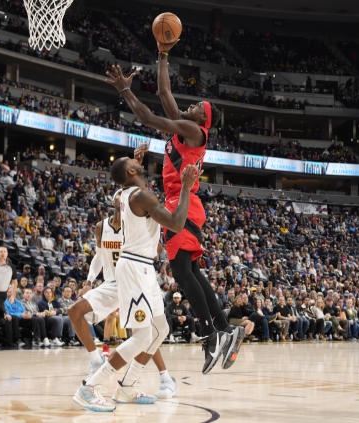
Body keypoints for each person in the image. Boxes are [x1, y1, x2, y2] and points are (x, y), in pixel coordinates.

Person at [105, 60, 243, 374]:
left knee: (182, 271)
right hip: (182, 201)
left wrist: (125, 90)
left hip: (183, 202)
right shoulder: (185, 125)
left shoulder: (193, 130)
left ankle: (210, 334)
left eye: (197, 107)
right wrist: (163, 55)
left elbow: (147, 117)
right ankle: (224, 329)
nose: (190, 106)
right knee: (190, 270)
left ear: (203, 119)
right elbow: (164, 93)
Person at [73, 156, 199, 412]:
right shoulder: (140, 196)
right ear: (131, 171)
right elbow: (176, 224)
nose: (138, 161)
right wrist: (186, 187)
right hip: (134, 267)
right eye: (132, 161)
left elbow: (126, 181)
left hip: (144, 267)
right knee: (142, 337)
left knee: (160, 330)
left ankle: (127, 386)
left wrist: (134, 164)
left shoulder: (128, 193)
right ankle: (89, 388)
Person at [68, 189, 179, 400]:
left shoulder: (137, 224)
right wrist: (89, 281)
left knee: (149, 331)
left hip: (135, 280)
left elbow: (156, 249)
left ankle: (163, 377)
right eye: (119, 201)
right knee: (75, 311)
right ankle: (96, 362)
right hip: (114, 282)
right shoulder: (102, 227)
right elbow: (99, 257)